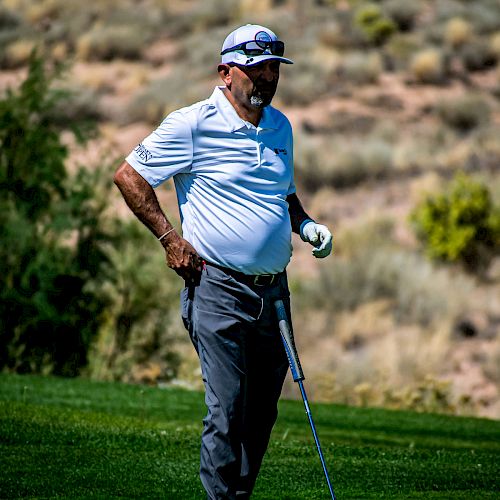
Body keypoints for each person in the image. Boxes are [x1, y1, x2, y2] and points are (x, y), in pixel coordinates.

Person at [113, 24, 333, 500]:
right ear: (225, 72)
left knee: (261, 414)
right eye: (256, 70)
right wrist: (171, 238)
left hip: (274, 293)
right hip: (217, 288)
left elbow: (283, 194)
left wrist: (306, 224)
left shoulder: (281, 127)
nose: (267, 80)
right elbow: (130, 176)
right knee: (228, 408)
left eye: (273, 69)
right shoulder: (191, 123)